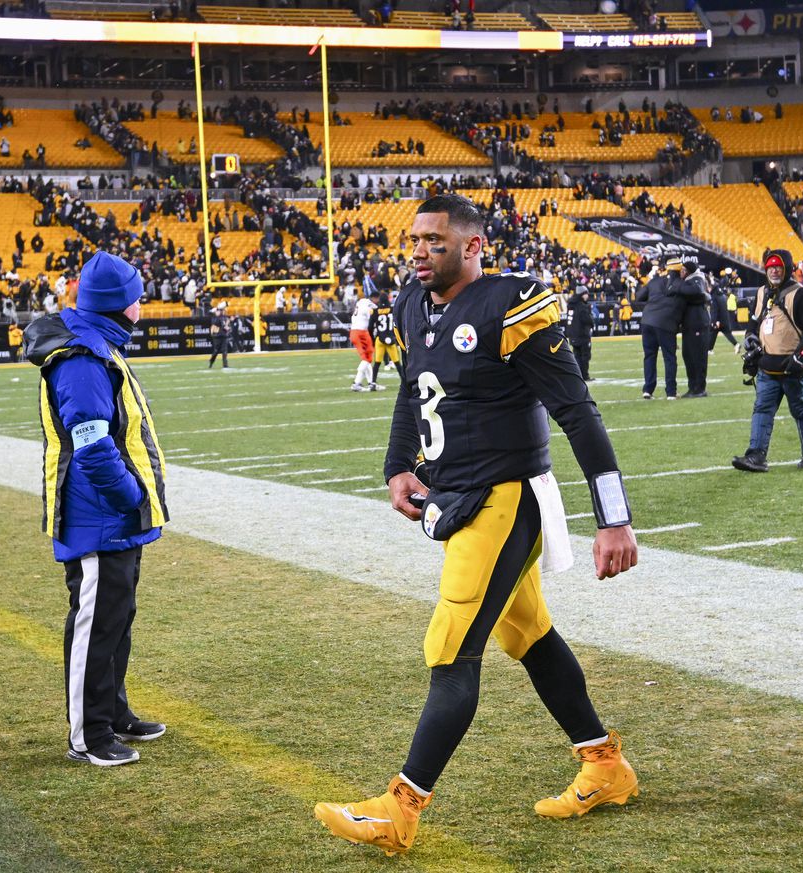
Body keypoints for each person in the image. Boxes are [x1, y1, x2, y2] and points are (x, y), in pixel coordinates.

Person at [314, 194, 639, 856]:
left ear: (473, 246)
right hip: (455, 494)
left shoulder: (509, 303)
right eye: (415, 239)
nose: (419, 250)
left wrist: (614, 519)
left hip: (505, 494)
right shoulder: (412, 301)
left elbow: (578, 411)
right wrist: (397, 465)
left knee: (451, 643)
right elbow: (413, 387)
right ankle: (604, 763)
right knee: (529, 633)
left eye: (435, 240)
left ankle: (401, 808)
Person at [22, 251, 169, 765]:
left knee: (116, 618)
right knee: (95, 623)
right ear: (118, 303)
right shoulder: (83, 357)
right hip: (98, 517)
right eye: (136, 297)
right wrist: (131, 498)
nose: (142, 305)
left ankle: (113, 712)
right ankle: (89, 734)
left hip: (111, 517)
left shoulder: (98, 343)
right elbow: (92, 444)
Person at [732, 249, 803, 472]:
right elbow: (754, 321)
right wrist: (750, 338)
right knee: (762, 410)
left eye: (778, 267)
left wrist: (800, 356)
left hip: (793, 368)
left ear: (787, 269)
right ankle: (756, 456)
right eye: (770, 267)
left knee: (802, 411)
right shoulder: (762, 292)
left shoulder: (800, 294)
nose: (773, 270)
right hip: (766, 367)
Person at [636, 254, 683, 399]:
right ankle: (671, 392)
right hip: (665, 323)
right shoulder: (680, 283)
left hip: (648, 320)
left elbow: (639, 297)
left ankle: (647, 390)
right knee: (669, 358)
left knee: (649, 356)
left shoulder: (654, 281)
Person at [676, 258, 711, 397]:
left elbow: (697, 291)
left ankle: (699, 388)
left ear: (689, 271)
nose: (681, 273)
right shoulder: (689, 282)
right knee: (688, 355)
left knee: (698, 357)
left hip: (698, 324)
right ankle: (693, 387)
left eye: (683, 270)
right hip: (690, 325)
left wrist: (677, 287)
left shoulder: (696, 281)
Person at [369, 290, 400, 389]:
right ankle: (406, 383)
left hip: (380, 339)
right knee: (397, 363)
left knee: (377, 363)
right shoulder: (393, 309)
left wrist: (372, 339)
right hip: (391, 338)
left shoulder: (375, 311)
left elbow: (370, 327)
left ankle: (373, 382)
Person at [349, 290, 378, 390]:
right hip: (361, 333)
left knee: (366, 358)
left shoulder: (361, 302)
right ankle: (356, 383)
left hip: (355, 332)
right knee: (367, 358)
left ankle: (371, 383)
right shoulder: (367, 306)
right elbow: (372, 316)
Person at [565, 285, 595, 380]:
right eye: (586, 293)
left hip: (573, 335)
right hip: (582, 335)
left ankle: (578, 376)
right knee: (585, 356)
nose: (587, 296)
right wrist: (592, 322)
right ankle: (585, 375)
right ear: (582, 294)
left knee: (576, 356)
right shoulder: (582, 306)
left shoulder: (571, 305)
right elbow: (587, 320)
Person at [207, 301, 232, 370]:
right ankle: (211, 361)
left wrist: (228, 327)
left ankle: (225, 365)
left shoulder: (224, 317)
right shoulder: (215, 318)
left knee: (224, 350)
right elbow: (222, 325)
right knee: (216, 351)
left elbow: (226, 326)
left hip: (223, 335)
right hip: (217, 336)